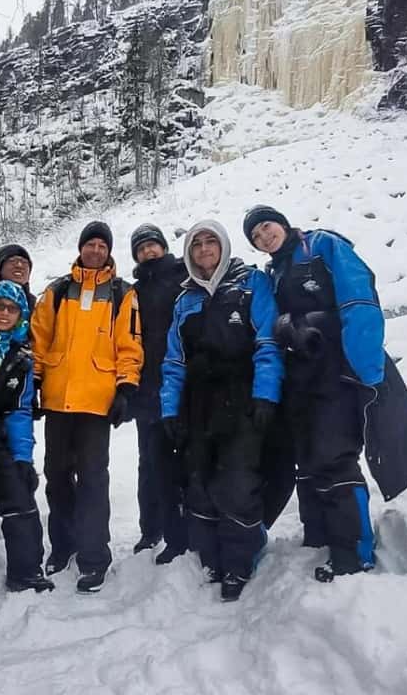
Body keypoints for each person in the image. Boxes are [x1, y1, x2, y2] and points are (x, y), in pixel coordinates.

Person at [243, 205, 381, 583]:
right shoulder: (274, 272)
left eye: (266, 226)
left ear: (282, 223)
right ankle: (318, 535)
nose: (264, 236)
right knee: (308, 458)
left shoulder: (323, 247)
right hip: (301, 378)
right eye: (255, 236)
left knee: (334, 457)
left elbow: (359, 300)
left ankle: (353, 554)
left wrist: (367, 372)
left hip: (337, 371)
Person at [160, 220, 283, 602]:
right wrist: (169, 410)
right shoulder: (185, 300)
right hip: (197, 402)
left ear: (224, 246)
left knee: (236, 482)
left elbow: (268, 341)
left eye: (210, 241)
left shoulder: (251, 284)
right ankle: (211, 558)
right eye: (196, 244)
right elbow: (174, 361)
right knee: (199, 480)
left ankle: (240, 560)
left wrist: (266, 395)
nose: (204, 249)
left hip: (241, 396)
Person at [29, 221, 143, 593]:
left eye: (101, 246)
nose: (95, 250)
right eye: (90, 244)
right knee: (57, 477)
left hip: (96, 402)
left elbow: (129, 345)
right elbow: (39, 340)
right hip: (58, 400)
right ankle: (63, 546)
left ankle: (94, 557)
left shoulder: (122, 293)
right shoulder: (57, 291)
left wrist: (126, 388)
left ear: (109, 252)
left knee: (93, 480)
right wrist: (34, 383)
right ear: (80, 249)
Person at [0, 280, 54, 593]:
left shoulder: (21, 358)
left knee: (20, 501)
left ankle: (26, 574)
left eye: (12, 309)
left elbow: (20, 412)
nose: (4, 313)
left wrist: (22, 458)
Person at [128, 224, 189, 564]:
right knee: (150, 463)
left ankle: (189, 525)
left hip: (185, 384)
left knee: (188, 458)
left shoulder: (185, 276)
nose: (148, 251)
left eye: (153, 245)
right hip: (147, 389)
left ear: (164, 247)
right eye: (141, 248)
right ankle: (151, 529)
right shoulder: (133, 292)